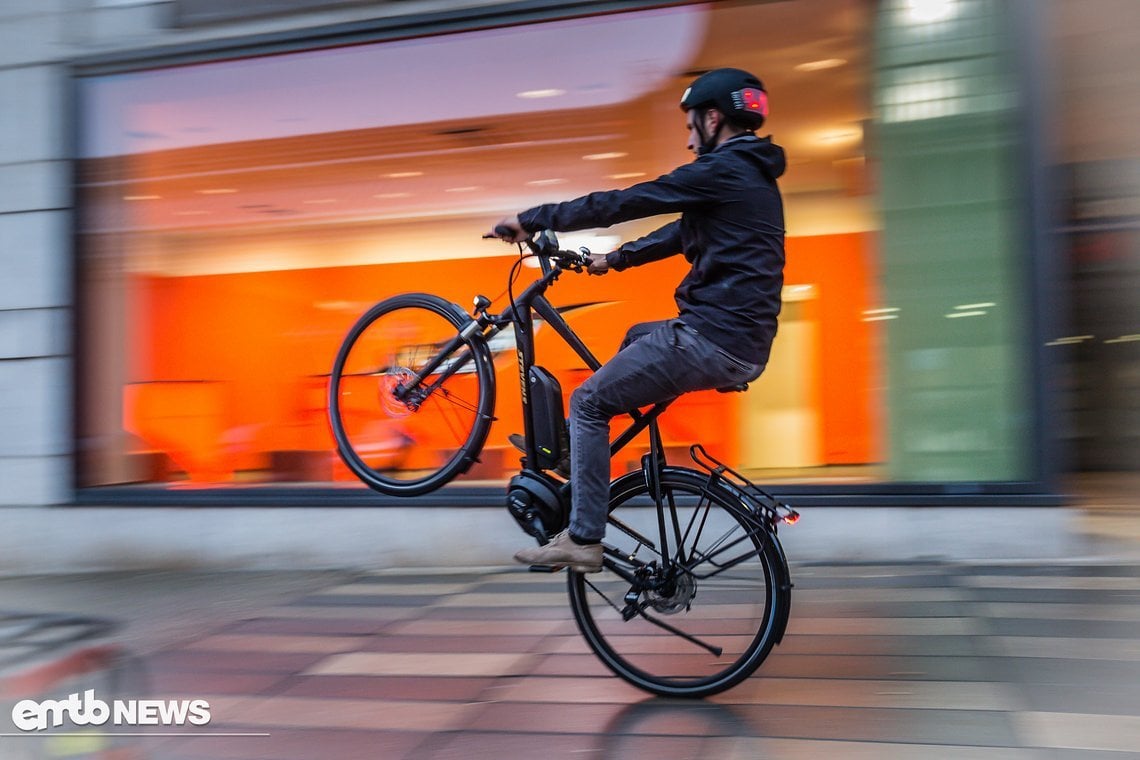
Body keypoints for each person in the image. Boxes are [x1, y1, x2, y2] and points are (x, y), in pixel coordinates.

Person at [490, 67, 786, 572]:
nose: (690, 138)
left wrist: (535, 217)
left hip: (710, 338)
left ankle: (583, 538)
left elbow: (625, 202)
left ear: (714, 118)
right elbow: (679, 231)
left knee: (587, 402)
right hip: (742, 342)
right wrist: (617, 260)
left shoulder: (721, 170)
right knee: (636, 338)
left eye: (693, 125)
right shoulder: (750, 175)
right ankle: (575, 456)